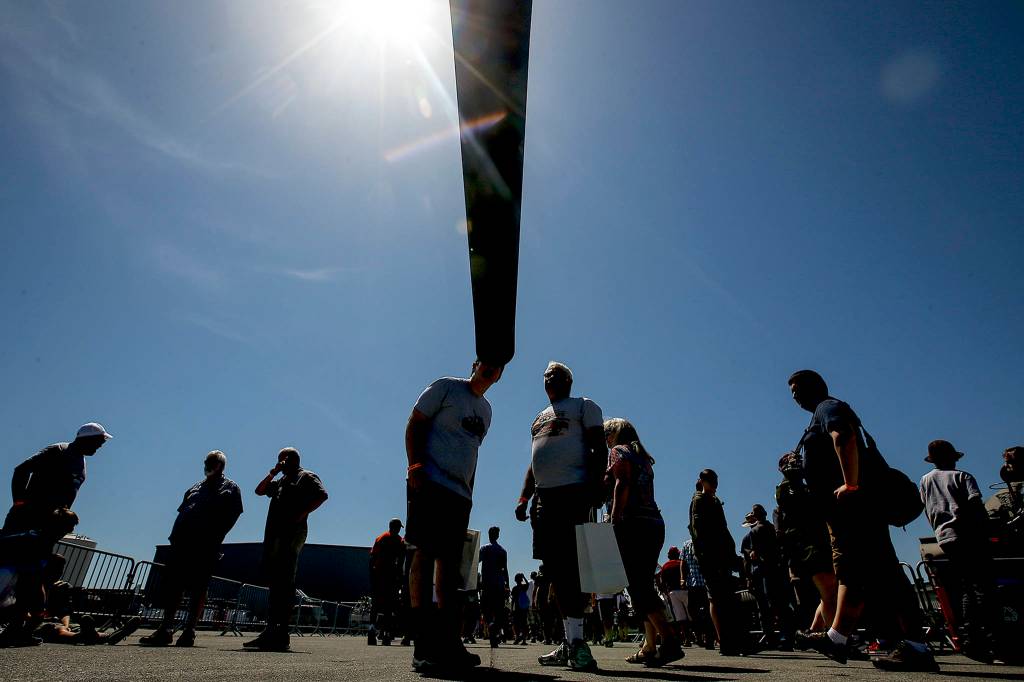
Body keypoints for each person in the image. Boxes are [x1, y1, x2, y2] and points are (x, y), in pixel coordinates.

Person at [787, 369, 937, 672]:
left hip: (854, 508)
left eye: (796, 389)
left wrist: (850, 484)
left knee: (880, 572)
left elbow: (843, 436)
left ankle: (913, 646)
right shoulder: (821, 413)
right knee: (862, 573)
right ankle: (846, 638)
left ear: (811, 388)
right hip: (847, 512)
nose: (793, 396)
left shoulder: (827, 408)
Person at [405, 359, 503, 672]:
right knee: (425, 553)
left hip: (460, 495)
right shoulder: (447, 387)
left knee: (449, 566)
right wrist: (415, 465)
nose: (491, 368)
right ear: (475, 364)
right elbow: (416, 422)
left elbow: (471, 453)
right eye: (487, 362)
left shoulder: (486, 411)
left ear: (500, 375)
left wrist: (470, 493)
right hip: (430, 481)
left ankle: (449, 641)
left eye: (498, 366)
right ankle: (423, 642)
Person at [515, 361, 604, 671]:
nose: (547, 378)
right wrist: (524, 497)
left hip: (573, 493)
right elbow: (534, 462)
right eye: (545, 375)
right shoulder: (538, 418)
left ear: (568, 379)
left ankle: (578, 643)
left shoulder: (583, 406)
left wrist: (595, 488)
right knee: (555, 570)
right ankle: (569, 642)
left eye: (554, 374)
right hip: (544, 498)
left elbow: (598, 448)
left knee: (572, 567)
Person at [139, 451, 243, 647]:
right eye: (206, 462)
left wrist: (216, 536)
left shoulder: (230, 488)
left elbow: (234, 514)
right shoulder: (195, 487)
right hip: (181, 542)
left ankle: (189, 631)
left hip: (206, 544)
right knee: (174, 585)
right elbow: (183, 510)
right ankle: (166, 629)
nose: (206, 465)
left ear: (220, 466)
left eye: (210, 462)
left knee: (198, 588)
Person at [604, 417, 683, 667]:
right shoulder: (643, 458)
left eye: (607, 433)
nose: (605, 439)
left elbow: (622, 483)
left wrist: (615, 518)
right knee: (644, 585)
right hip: (654, 522)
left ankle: (669, 640)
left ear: (616, 433)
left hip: (633, 522)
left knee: (637, 587)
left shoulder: (618, 452)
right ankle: (649, 645)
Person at [244, 447, 328, 652]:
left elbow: (322, 495)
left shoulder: (305, 476)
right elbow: (260, 490)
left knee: (284, 580)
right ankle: (271, 630)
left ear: (290, 459)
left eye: (281, 460)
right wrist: (273, 472)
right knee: (276, 581)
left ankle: (281, 632)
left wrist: (302, 514)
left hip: (292, 533)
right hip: (275, 535)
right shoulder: (281, 481)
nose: (280, 464)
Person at [919, 440, 996, 662]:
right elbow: (975, 506)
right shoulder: (962, 476)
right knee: (981, 588)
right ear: (952, 458)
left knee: (965, 588)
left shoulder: (925, 481)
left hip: (944, 537)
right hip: (968, 535)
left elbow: (927, 508)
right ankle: (986, 638)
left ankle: (968, 637)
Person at [3, 423, 112, 535]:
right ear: (87, 439)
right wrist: (19, 503)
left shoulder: (81, 463)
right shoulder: (59, 450)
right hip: (26, 516)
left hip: (49, 524)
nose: (101, 445)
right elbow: (21, 470)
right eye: (99, 441)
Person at [775, 451, 837, 633]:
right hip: (810, 546)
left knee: (827, 594)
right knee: (829, 592)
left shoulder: (800, 486)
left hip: (813, 544)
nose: (798, 464)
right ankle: (837, 637)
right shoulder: (788, 489)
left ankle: (813, 631)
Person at [0, 508, 80, 647]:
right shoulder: (38, 540)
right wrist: (40, 602)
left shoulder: (42, 538)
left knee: (32, 606)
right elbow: (29, 579)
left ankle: (17, 632)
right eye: (68, 528)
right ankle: (15, 632)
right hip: (7, 574)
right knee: (32, 605)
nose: (68, 532)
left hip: (14, 573)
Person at [688, 469, 746, 655]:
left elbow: (723, 530)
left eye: (715, 481)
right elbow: (700, 532)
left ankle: (732, 638)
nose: (715, 484)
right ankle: (725, 640)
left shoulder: (713, 500)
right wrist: (708, 556)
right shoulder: (700, 500)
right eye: (711, 481)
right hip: (711, 557)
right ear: (703, 481)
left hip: (721, 556)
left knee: (725, 597)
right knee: (717, 597)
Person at [740, 503, 794, 650]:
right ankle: (786, 636)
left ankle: (770, 636)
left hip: (761, 573)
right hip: (777, 570)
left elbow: (749, 558)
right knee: (780, 605)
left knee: (764, 608)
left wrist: (748, 577)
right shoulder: (773, 529)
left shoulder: (752, 534)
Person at [368, 517, 406, 646]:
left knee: (376, 604)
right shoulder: (400, 541)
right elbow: (400, 562)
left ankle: (372, 629)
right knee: (389, 606)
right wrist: (400, 578)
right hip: (391, 577)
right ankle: (386, 634)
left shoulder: (380, 538)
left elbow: (372, 557)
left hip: (378, 575)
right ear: (396, 527)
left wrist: (372, 575)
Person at [478, 525, 509, 647]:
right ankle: (494, 629)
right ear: (498, 535)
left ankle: (491, 625)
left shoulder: (484, 549)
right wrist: (507, 585)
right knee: (499, 611)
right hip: (499, 585)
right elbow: (504, 570)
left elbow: (476, 563)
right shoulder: (502, 551)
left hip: (486, 584)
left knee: (487, 610)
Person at [681, 537, 712, 649]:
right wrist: (682, 578)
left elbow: (682, 563)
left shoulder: (704, 542)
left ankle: (707, 638)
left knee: (703, 612)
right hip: (695, 582)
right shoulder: (687, 544)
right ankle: (701, 637)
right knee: (695, 612)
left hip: (701, 582)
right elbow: (683, 563)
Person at [658, 546, 692, 645]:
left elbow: (662, 582)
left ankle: (685, 638)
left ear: (669, 555)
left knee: (680, 617)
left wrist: (666, 593)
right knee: (691, 615)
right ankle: (698, 637)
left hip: (672, 593)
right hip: (685, 590)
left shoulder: (665, 566)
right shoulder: (682, 564)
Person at [510, 573, 530, 645]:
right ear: (521, 580)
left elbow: (513, 600)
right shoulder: (524, 587)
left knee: (516, 624)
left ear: (515, 580)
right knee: (523, 624)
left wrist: (512, 609)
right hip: (524, 608)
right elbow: (527, 584)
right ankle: (524, 640)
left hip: (517, 609)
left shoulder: (515, 588)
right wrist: (524, 577)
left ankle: (517, 638)